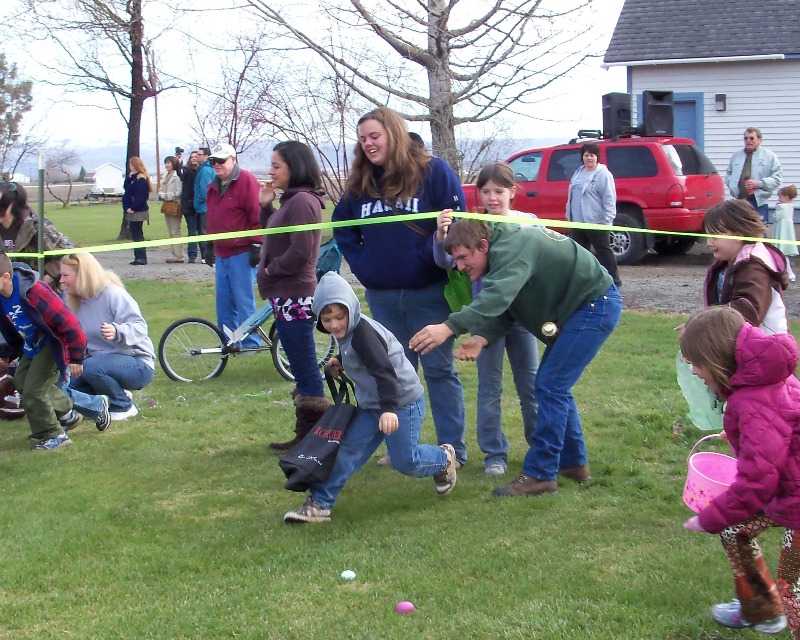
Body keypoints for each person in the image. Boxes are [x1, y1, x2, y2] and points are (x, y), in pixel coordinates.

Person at [410, 219, 622, 497]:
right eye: (456, 260)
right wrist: (482, 337)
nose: (460, 267)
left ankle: (541, 474)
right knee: (553, 386)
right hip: (584, 307)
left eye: (463, 258)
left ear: (483, 245)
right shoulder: (500, 253)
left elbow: (496, 299)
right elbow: (510, 306)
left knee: (550, 386)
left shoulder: (512, 250)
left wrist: (448, 326)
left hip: (594, 304)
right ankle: (573, 464)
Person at [331, 105, 468, 467]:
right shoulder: (361, 185)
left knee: (439, 371)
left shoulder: (433, 172)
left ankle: (453, 449)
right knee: (393, 375)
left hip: (429, 292)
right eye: (362, 139)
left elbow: (458, 223)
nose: (368, 144)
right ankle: (403, 449)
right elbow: (342, 228)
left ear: (393, 133)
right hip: (383, 295)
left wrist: (427, 253)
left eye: (374, 136)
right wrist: (365, 266)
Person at [283, 272, 458, 524]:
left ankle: (443, 458)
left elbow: (385, 373)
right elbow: (358, 355)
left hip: (400, 402)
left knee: (406, 461)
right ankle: (320, 504)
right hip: (372, 405)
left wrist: (389, 410)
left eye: (340, 317)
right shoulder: (347, 333)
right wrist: (341, 361)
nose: (334, 324)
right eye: (327, 318)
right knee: (346, 452)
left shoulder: (363, 334)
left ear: (351, 310)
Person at [680, 305, 798, 638]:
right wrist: (736, 432)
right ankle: (762, 610)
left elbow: (756, 483)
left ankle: (782, 609)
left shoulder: (753, 399)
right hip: (788, 490)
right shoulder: (764, 376)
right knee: (736, 530)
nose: (694, 372)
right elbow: (780, 424)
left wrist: (710, 517)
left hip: (795, 501)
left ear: (716, 359)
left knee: (795, 591)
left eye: (695, 363)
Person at [433, 162, 539, 477]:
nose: (492, 198)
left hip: (522, 318)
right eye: (486, 191)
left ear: (512, 192)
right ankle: (495, 453)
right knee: (489, 387)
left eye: (499, 191)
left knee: (530, 385)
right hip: (486, 319)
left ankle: (539, 447)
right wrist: (441, 236)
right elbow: (446, 261)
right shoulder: (472, 224)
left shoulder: (529, 224)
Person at [257, 141, 331, 451]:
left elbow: (302, 251)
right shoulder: (291, 201)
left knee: (305, 368)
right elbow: (277, 237)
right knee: (302, 368)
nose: (270, 171)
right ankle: (306, 435)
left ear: (294, 167)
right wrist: (266, 207)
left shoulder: (302, 201)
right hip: (285, 295)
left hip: (295, 296)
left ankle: (314, 439)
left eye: (277, 165)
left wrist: (272, 270)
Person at [0, 253, 86, 449]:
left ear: (5, 277)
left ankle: (55, 435)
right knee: (20, 382)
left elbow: (70, 323)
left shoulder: (33, 291)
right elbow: (10, 332)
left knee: (33, 392)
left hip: (53, 342)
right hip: (32, 344)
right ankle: (66, 413)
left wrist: (77, 357)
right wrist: (7, 354)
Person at [60, 253, 155, 421]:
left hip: (138, 363)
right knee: (65, 385)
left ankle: (123, 405)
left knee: (90, 368)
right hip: (99, 362)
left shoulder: (113, 294)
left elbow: (140, 328)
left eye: (66, 275)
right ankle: (104, 399)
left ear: (82, 274)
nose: (61, 280)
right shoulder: (76, 302)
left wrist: (117, 331)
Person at [702, 199, 789, 335]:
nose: (708, 243)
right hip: (745, 346)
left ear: (738, 236)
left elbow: (747, 311)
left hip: (765, 348)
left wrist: (702, 323)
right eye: (707, 236)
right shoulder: (728, 264)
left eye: (714, 236)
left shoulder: (754, 268)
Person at [205, 143, 261, 348]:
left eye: (221, 160)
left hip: (242, 252)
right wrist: (209, 243)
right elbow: (212, 218)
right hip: (222, 252)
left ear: (233, 159)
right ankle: (229, 341)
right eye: (213, 161)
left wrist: (257, 244)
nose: (217, 165)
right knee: (224, 302)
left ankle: (250, 342)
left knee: (243, 300)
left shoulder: (246, 181)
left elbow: (256, 215)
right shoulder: (213, 186)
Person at [566, 142, 621, 287]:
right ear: (582, 157)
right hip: (577, 222)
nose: (589, 158)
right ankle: (585, 282)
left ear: (597, 157)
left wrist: (608, 219)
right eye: (586, 155)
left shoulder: (603, 174)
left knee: (603, 252)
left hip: (596, 221)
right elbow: (572, 196)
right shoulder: (578, 172)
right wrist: (569, 216)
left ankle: (613, 281)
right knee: (580, 254)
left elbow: (609, 198)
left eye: (592, 155)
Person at [0, 181, 73, 288]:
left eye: (3, 205)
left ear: (16, 204)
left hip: (39, 291)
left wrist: (47, 278)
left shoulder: (37, 226)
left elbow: (68, 253)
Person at [725, 127, 782, 224]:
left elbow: (777, 179)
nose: (748, 141)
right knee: (740, 233)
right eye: (745, 138)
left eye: (751, 138)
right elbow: (728, 175)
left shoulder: (769, 156)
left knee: (759, 234)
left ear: (759, 140)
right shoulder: (736, 156)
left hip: (759, 203)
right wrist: (732, 186)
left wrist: (759, 184)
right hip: (739, 202)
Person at [123, 157, 152, 266]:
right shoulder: (134, 178)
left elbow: (141, 196)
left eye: (131, 164)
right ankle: (137, 256)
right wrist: (129, 178)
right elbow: (127, 188)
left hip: (138, 211)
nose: (129, 166)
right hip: (132, 210)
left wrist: (133, 207)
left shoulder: (141, 179)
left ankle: (141, 257)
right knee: (135, 233)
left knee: (138, 233)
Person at [160, 155, 184, 264]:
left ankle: (179, 254)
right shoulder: (165, 176)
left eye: (169, 163)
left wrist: (167, 195)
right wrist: (162, 195)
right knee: (170, 231)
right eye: (166, 163)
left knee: (175, 230)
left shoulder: (177, 176)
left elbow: (179, 192)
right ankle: (173, 253)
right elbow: (161, 189)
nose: (166, 165)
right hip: (167, 205)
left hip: (175, 204)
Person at [771, 184, 798, 283]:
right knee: (784, 254)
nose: (779, 199)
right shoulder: (790, 207)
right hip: (787, 232)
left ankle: (788, 273)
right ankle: (788, 273)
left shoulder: (781, 207)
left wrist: (776, 207)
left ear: (786, 196)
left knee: (782, 254)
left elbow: (775, 217)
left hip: (781, 232)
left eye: (780, 197)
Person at [193, 146, 214, 264]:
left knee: (204, 231)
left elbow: (204, 189)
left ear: (206, 156)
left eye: (200, 154)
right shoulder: (205, 169)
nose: (197, 157)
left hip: (204, 207)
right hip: (205, 206)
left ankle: (207, 255)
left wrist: (200, 200)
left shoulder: (205, 170)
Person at [180, 151, 201, 263]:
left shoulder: (202, 171)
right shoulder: (187, 170)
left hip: (199, 204)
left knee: (201, 230)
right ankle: (192, 255)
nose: (193, 158)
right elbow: (181, 175)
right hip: (189, 205)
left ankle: (204, 255)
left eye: (196, 157)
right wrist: (179, 164)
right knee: (192, 230)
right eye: (192, 157)